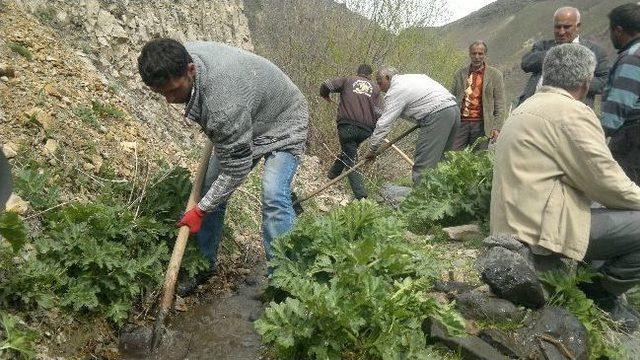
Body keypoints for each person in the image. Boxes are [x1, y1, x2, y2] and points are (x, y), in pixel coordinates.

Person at [137, 39, 309, 295]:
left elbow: (235, 170)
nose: (169, 100)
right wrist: (207, 202)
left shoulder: (224, 107)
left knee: (273, 195)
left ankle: (284, 285)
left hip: (284, 121)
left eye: (174, 91)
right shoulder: (176, 57)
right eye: (162, 93)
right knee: (210, 189)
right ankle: (205, 265)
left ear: (191, 70)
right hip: (246, 113)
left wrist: (200, 210)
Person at [491, 43, 640, 332]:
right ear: (586, 83)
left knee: (602, 207)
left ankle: (589, 279)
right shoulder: (571, 113)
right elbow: (607, 182)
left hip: (512, 226)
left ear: (546, 75)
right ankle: (599, 294)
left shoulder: (526, 108)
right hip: (539, 234)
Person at [366, 67, 459, 185]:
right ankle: (442, 199)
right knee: (443, 163)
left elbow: (384, 123)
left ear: (388, 78)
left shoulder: (396, 90)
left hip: (437, 116)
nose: (379, 88)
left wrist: (372, 149)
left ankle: (420, 201)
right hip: (454, 111)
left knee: (424, 166)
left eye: (380, 83)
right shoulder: (414, 77)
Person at [517, 7, 608, 108]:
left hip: (573, 111)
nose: (561, 32)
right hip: (535, 107)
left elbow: (604, 82)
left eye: (566, 27)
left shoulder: (595, 51)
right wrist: (556, 55)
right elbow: (526, 63)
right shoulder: (543, 46)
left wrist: (575, 81)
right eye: (557, 27)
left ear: (578, 26)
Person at [319, 64, 380, 199]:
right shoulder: (376, 88)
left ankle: (361, 196)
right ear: (370, 75)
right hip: (366, 130)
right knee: (349, 151)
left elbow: (326, 85)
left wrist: (325, 96)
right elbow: (378, 112)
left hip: (347, 126)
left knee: (350, 158)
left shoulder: (348, 80)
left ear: (357, 72)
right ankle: (331, 175)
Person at [601, 3, 640, 184]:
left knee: (626, 194)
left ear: (618, 30)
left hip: (631, 140)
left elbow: (619, 104)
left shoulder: (632, 57)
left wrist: (598, 134)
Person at [450, 41, 505, 149]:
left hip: (482, 125)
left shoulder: (495, 75)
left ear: (485, 55)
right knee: (452, 157)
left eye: (480, 54)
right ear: (470, 54)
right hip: (460, 123)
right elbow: (451, 98)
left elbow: (500, 103)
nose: (477, 57)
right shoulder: (460, 74)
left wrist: (497, 127)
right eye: (474, 53)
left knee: (478, 160)